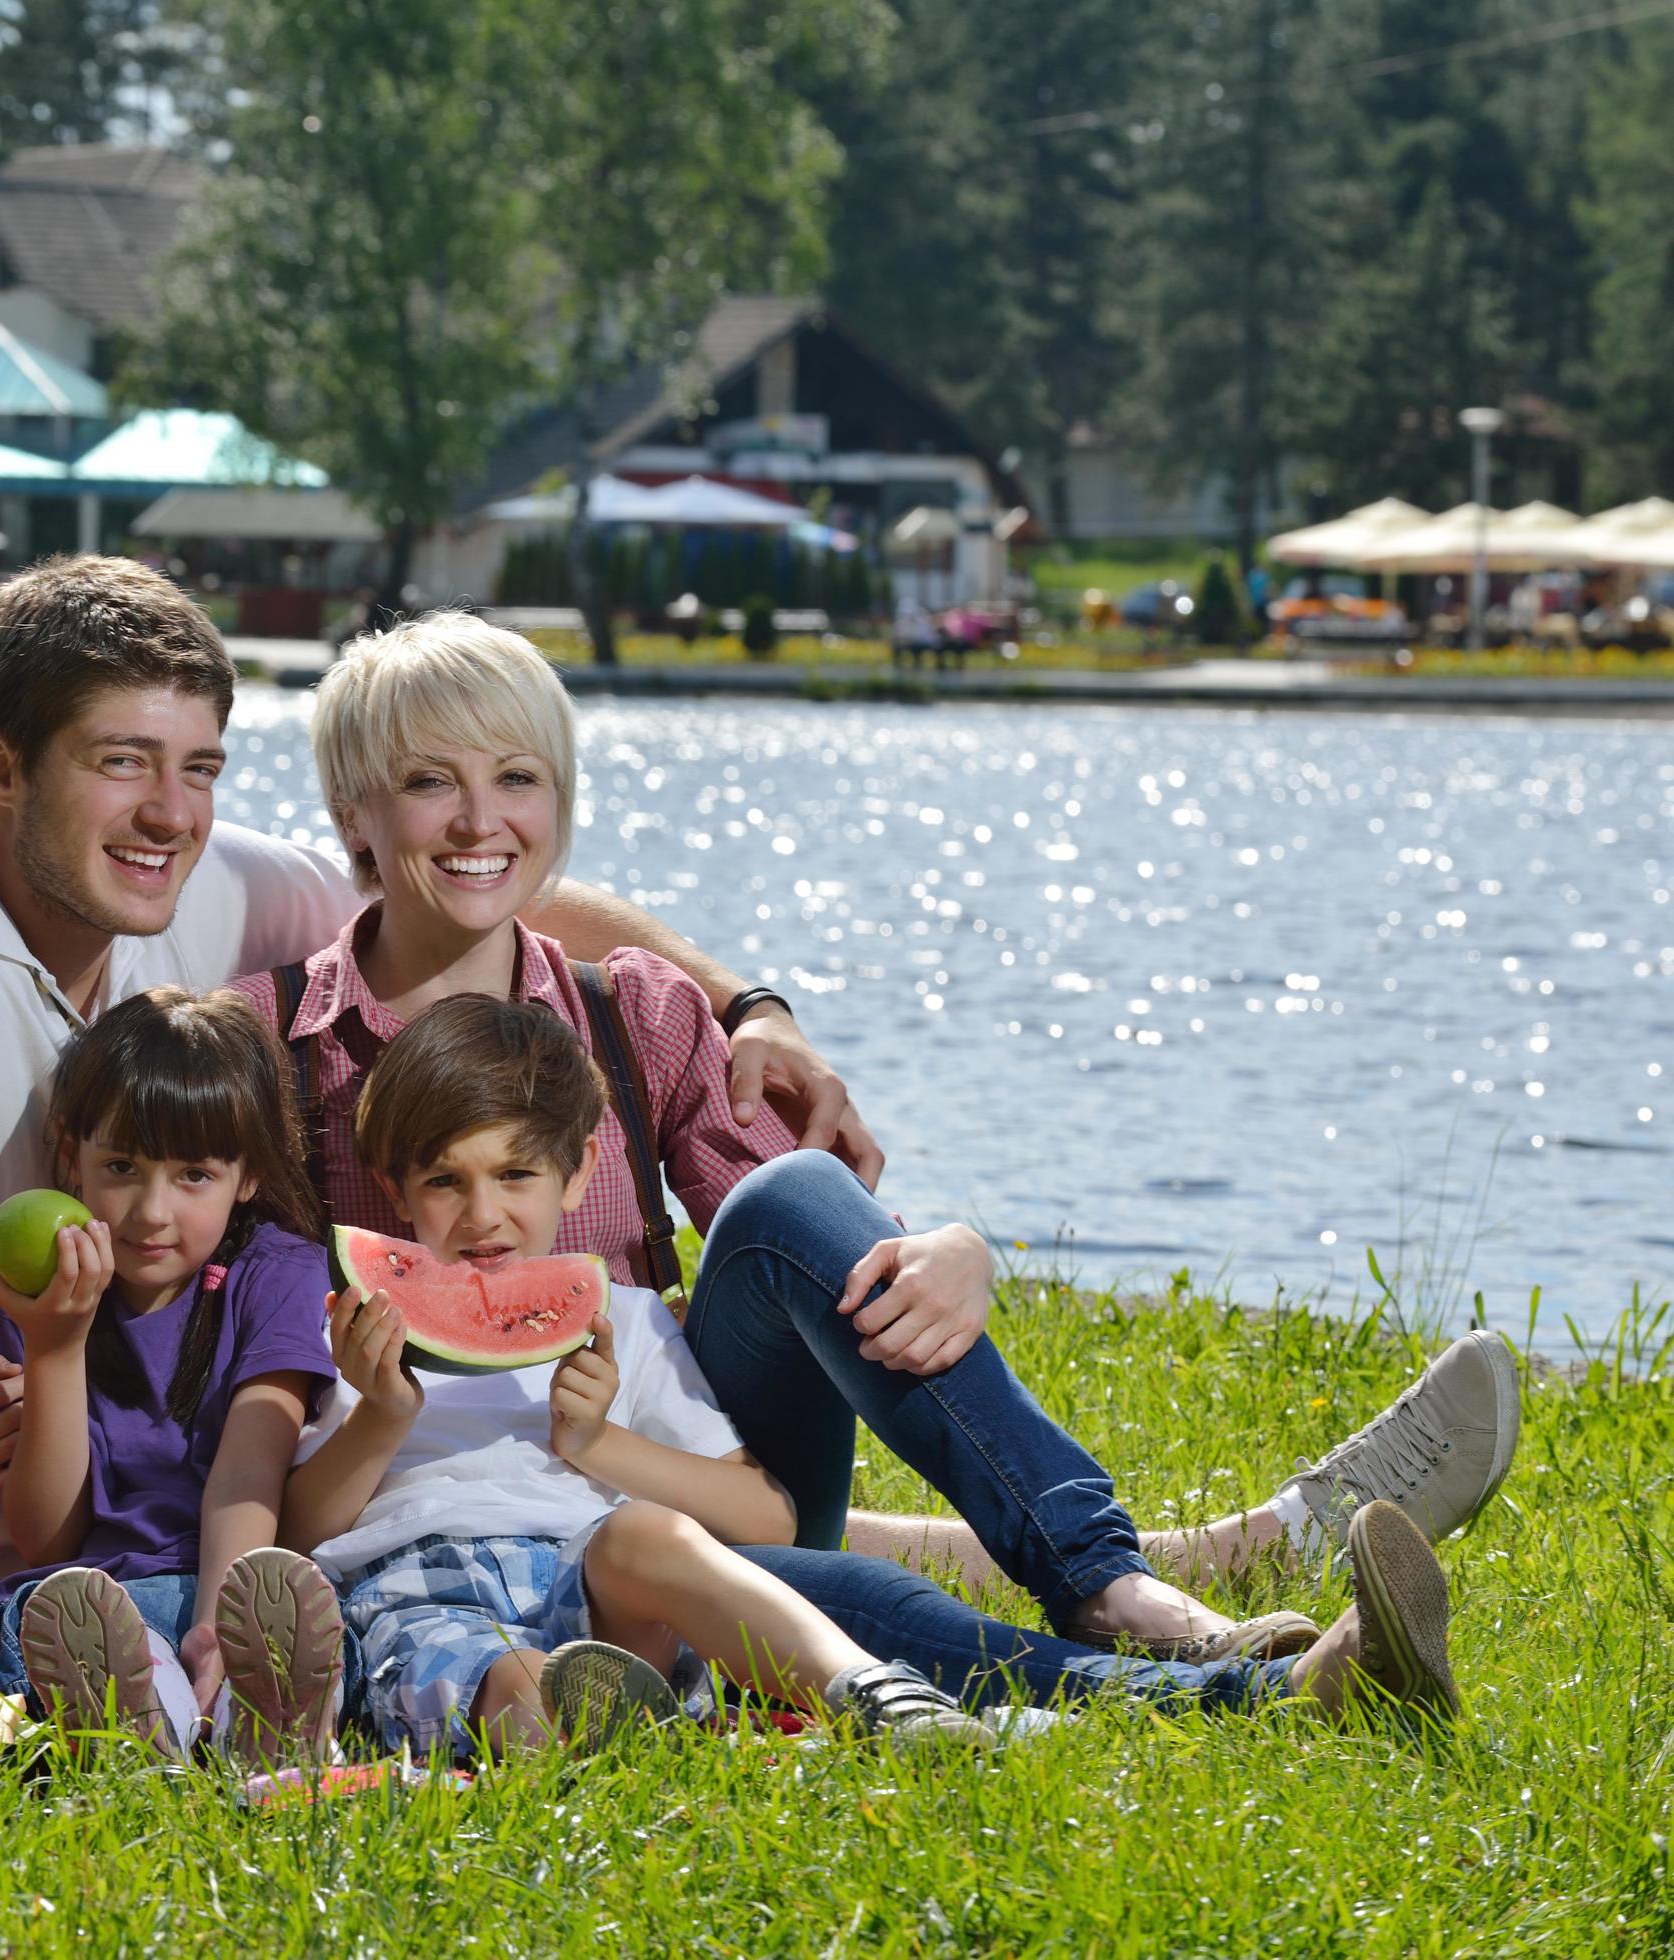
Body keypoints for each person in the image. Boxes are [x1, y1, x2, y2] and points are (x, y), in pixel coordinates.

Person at [0, 558, 875, 1645]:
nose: (172, 813)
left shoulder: (181, 877)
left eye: (201, 768)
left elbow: (465, 880)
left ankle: (986, 1578)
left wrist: (744, 1001)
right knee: (737, 1580)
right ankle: (958, 1636)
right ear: (1, 764)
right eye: (124, 763)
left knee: (724, 1545)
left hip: (200, 1508)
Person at [207, 612, 1520, 1658]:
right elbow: (234, 1346)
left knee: (786, 1194)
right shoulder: (267, 1045)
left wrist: (949, 1249)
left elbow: (787, 1240)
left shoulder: (639, 1016)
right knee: (872, 1619)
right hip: (428, 1512)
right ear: (352, 820)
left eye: (518, 779)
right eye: (428, 783)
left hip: (680, 1477)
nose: (481, 820)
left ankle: (1109, 1580)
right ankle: (1238, 1641)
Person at [285, 998, 1458, 1755]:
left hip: (633, 1581)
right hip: (428, 1593)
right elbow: (298, 1525)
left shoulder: (625, 1322)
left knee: (860, 1598)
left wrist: (599, 1448)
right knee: (537, 1649)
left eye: (514, 1177)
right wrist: (380, 1415)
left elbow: (770, 1514)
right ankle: (1258, 1688)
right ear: (390, 1192)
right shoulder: (362, 1336)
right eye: (442, 1185)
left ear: (577, 1170)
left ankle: (1234, 1664)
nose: (483, 1218)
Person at [0, 987, 349, 1764]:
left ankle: (239, 1713)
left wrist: (219, 1627)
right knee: (63, 1612)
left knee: (293, 1621)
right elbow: (46, 1534)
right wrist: (53, 1346)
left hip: (243, 1588)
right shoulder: (35, 1285)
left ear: (247, 1177)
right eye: (122, 1167)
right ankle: (153, 1729)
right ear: (69, 1156)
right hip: (94, 1604)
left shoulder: (277, 1271)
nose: (150, 1210)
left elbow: (248, 1469)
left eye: (193, 1176)